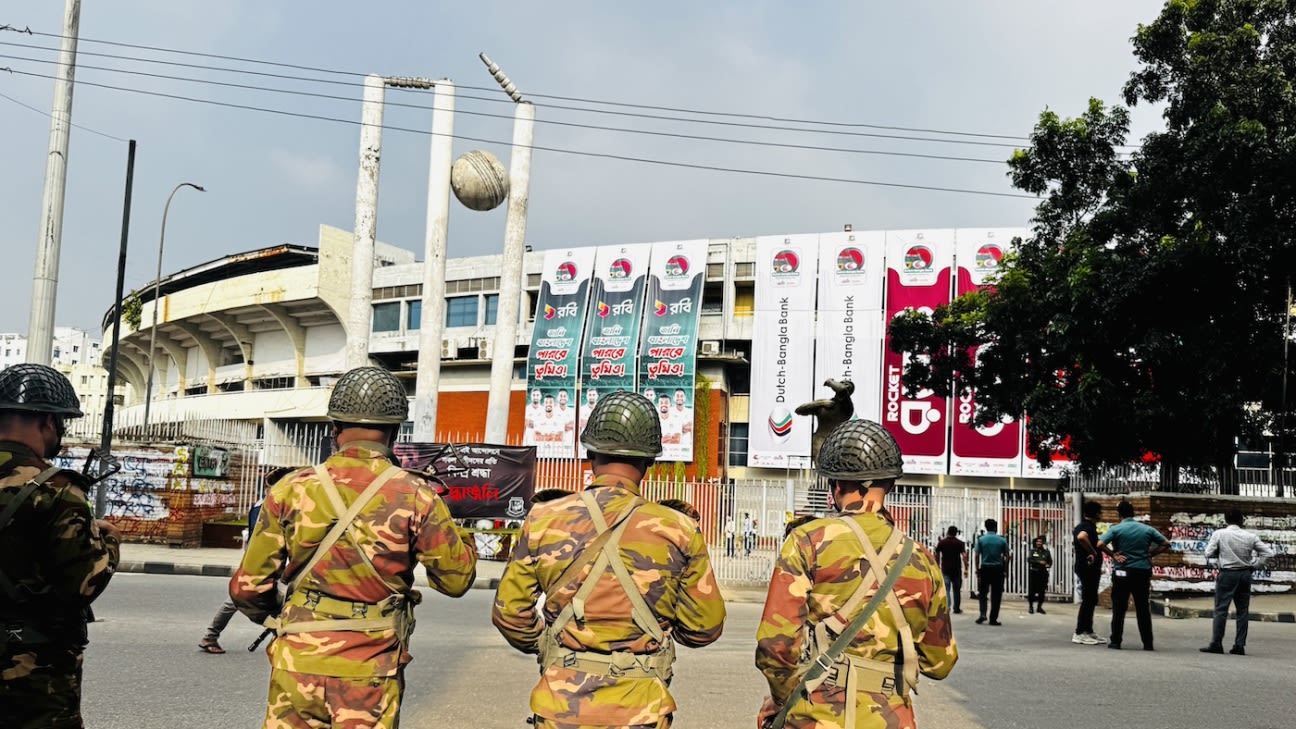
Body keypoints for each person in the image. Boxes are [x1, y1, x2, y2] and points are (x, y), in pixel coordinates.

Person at [230, 366, 477, 728]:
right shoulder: (417, 495)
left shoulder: (290, 489)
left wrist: (285, 614)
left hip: (296, 663)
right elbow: (455, 582)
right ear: (394, 433)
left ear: (334, 429)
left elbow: (247, 587)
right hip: (370, 671)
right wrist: (463, 535)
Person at [492, 390, 726, 728]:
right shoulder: (677, 528)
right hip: (641, 708)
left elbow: (510, 613)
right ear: (650, 461)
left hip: (561, 706)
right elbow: (704, 627)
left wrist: (550, 645)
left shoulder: (545, 518)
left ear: (590, 453)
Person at [754, 419, 957, 729]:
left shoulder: (808, 541)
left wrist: (783, 698)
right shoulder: (921, 558)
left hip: (817, 716)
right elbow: (940, 662)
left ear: (836, 485)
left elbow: (776, 646)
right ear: (891, 484)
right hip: (891, 719)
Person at [0, 363, 121, 729]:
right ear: (49, 422)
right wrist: (109, 539)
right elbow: (84, 583)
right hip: (32, 673)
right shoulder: (57, 490)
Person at [199, 465, 295, 654]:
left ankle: (211, 635)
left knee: (240, 599)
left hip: (259, 558)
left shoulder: (263, 503)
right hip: (264, 560)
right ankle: (210, 635)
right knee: (241, 600)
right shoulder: (273, 505)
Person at [1097, 500, 1170, 651]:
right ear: (1133, 513)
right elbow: (1166, 543)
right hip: (1142, 571)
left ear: (1119, 514)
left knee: (1119, 608)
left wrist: (1114, 555)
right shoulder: (1146, 529)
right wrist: (1151, 554)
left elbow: (1099, 544)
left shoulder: (1116, 529)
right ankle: (1147, 643)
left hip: (1122, 572)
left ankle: (1116, 641)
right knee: (1142, 608)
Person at [1200, 509, 1275, 656]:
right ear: (1241, 520)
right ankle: (1239, 645)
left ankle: (1217, 643)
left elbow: (1208, 553)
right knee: (1242, 611)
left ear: (1226, 520)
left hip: (1227, 574)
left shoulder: (1220, 534)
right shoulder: (1250, 536)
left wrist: (1219, 557)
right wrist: (1255, 565)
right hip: (1245, 574)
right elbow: (1269, 553)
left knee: (1221, 609)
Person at [1071, 501, 1106, 645]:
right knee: (1088, 600)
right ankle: (1079, 632)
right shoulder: (1086, 527)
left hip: (1089, 568)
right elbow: (1081, 537)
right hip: (1087, 568)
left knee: (1091, 599)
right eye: (1100, 512)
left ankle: (1088, 630)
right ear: (1096, 513)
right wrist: (1092, 552)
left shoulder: (1086, 526)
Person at [974, 518, 1010, 625]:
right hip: (997, 569)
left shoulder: (981, 540)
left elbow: (976, 556)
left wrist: (977, 569)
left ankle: (982, 614)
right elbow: (1008, 556)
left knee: (983, 593)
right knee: (996, 595)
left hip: (985, 568)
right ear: (995, 527)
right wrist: (1005, 569)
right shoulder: (1002, 540)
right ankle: (993, 618)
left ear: (986, 527)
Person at [934, 526, 968, 614]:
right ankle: (956, 608)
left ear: (948, 532)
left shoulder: (942, 542)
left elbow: (936, 554)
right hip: (956, 569)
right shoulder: (960, 543)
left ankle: (948, 607)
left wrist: (937, 565)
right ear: (956, 533)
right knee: (957, 590)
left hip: (946, 569)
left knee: (947, 590)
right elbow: (964, 556)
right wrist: (966, 568)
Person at [1026, 535, 1052, 614]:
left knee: (1042, 591)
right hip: (1034, 572)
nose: (1039, 543)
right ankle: (1031, 607)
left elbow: (1050, 561)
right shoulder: (1033, 551)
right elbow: (1029, 559)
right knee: (1032, 591)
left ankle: (1039, 607)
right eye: (1037, 542)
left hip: (1043, 573)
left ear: (1042, 543)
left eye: (1040, 542)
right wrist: (1039, 562)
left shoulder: (1046, 552)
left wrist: (1048, 564)